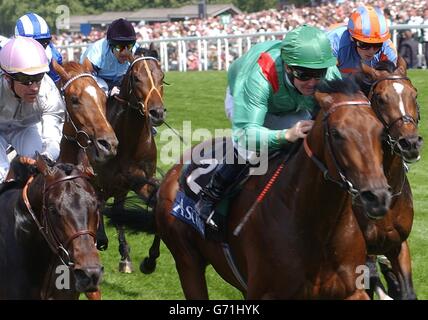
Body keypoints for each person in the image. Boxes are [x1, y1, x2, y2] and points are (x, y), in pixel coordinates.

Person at [195, 25, 341, 228]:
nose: (313, 82)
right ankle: (211, 196)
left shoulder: (329, 71)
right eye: (304, 74)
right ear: (288, 67)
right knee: (252, 150)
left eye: (319, 74)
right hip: (247, 100)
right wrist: (286, 135)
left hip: (293, 102)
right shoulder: (259, 76)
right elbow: (246, 134)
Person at [0, 37, 65, 182]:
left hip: (25, 128)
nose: (35, 87)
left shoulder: (48, 90)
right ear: (7, 78)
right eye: (26, 79)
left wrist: (47, 156)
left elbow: (53, 139)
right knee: (2, 176)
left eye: (39, 77)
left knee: (34, 172)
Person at [327, 5, 397, 76]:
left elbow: (390, 81)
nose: (371, 51)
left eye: (377, 45)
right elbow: (325, 80)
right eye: (364, 44)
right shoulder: (334, 43)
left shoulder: (388, 50)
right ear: (352, 38)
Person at [80, 18, 137, 96]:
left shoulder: (136, 49)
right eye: (119, 47)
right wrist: (107, 91)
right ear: (111, 45)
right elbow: (85, 77)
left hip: (121, 79)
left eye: (129, 46)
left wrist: (132, 59)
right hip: (98, 79)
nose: (124, 52)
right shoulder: (98, 51)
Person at [15, 12, 63, 86]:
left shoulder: (54, 56)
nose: (38, 48)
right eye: (32, 43)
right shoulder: (7, 57)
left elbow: (56, 85)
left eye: (43, 42)